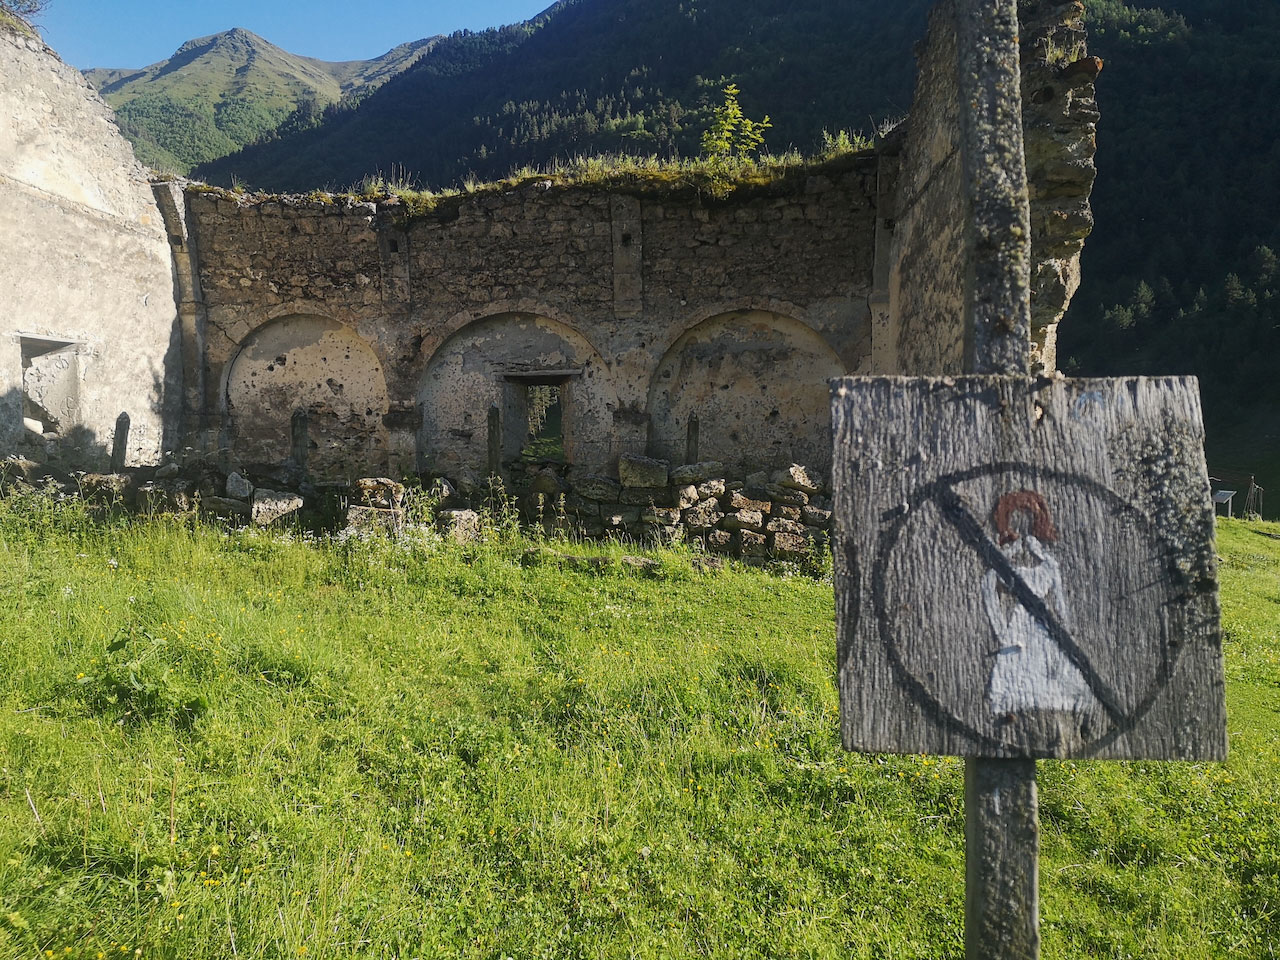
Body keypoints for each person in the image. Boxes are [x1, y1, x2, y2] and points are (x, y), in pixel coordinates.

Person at [982, 490, 1098, 715]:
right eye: (1016, 521)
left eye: (1029, 520)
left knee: (1053, 674)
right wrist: (1000, 630)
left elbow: (1060, 599)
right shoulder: (1007, 561)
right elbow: (988, 586)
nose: (1023, 528)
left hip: (1045, 625)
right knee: (1016, 674)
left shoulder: (1049, 563)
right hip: (1019, 625)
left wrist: (1065, 625)